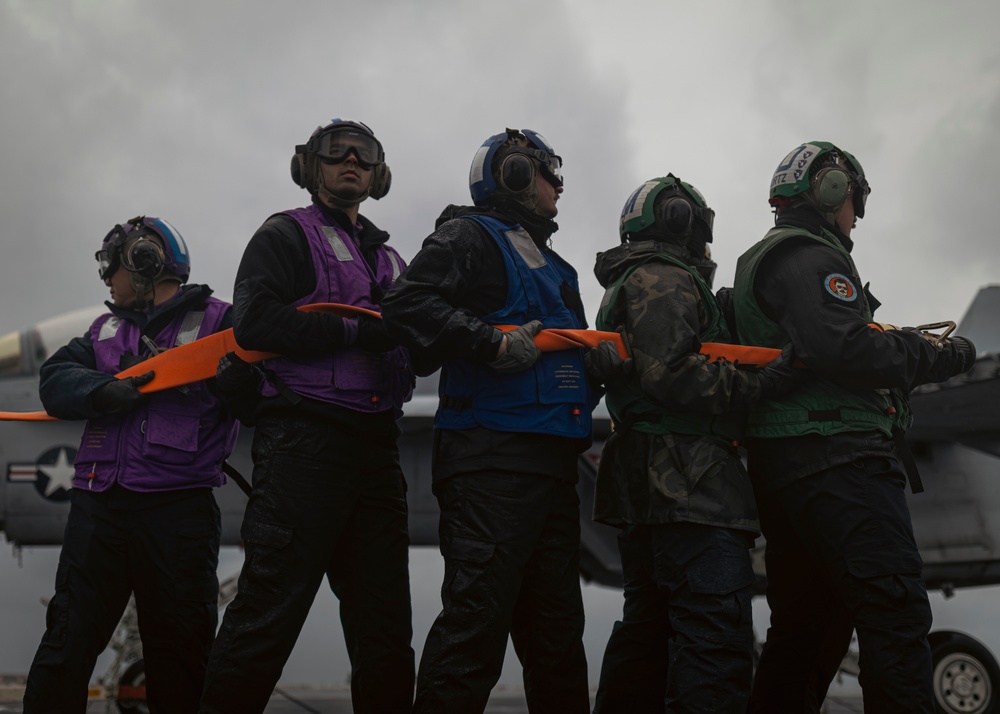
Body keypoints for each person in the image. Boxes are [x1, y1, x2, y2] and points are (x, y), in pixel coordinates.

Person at [734, 141, 978, 713]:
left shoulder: (771, 259)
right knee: (894, 612)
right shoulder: (807, 256)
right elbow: (841, 347)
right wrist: (935, 356)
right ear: (832, 190)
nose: (855, 219)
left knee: (810, 628)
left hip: (796, 467)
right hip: (838, 458)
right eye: (855, 202)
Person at [199, 119, 416, 714]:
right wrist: (357, 328)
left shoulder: (395, 260)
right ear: (310, 166)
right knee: (267, 616)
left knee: (386, 631)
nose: (350, 159)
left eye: (364, 154)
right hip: (304, 446)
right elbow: (256, 323)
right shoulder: (284, 236)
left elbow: (417, 343)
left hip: (377, 451)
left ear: (378, 173)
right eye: (336, 152)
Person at [380, 128, 597, 714]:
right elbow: (406, 303)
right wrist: (489, 346)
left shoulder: (555, 266)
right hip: (491, 462)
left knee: (556, 642)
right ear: (516, 175)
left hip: (551, 468)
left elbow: (567, 362)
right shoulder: (468, 236)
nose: (558, 183)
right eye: (547, 170)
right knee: (475, 630)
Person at [587, 175, 804, 713]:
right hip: (691, 488)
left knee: (649, 640)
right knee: (714, 644)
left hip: (654, 490)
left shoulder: (633, 279)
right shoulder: (663, 278)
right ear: (681, 221)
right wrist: (764, 383)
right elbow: (672, 375)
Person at [23, 216, 237, 714]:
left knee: (181, 660)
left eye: (110, 265)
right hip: (99, 510)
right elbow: (54, 379)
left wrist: (239, 384)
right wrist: (101, 390)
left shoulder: (221, 324)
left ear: (144, 262)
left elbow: (261, 395)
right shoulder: (105, 331)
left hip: (177, 512)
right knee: (66, 643)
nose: (106, 279)